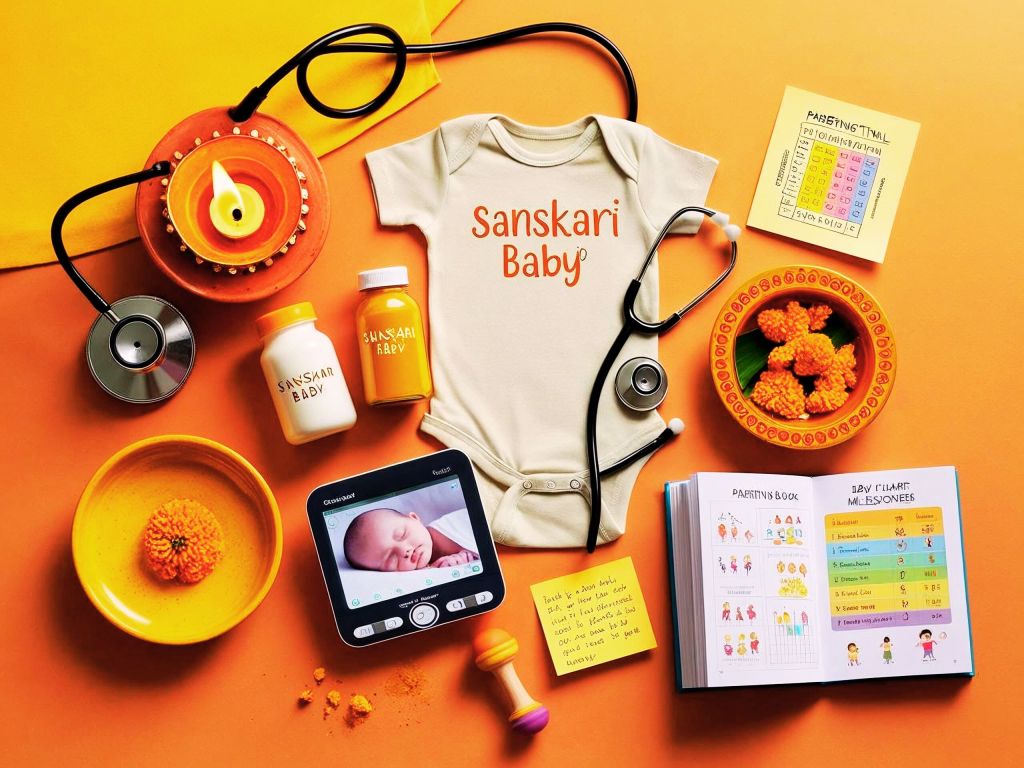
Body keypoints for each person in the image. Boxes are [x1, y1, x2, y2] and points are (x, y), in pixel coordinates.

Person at [343, 507, 478, 571]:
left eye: (402, 534)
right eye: (391, 559)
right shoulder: (424, 572)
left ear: (414, 518)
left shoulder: (450, 529)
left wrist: (469, 556)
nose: (405, 551)